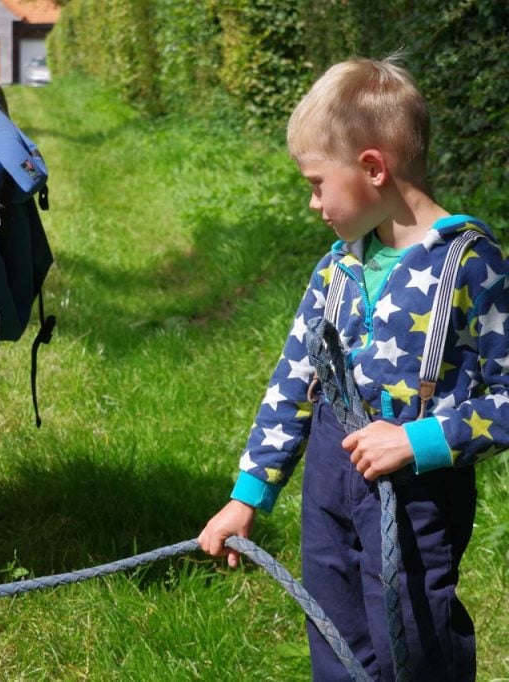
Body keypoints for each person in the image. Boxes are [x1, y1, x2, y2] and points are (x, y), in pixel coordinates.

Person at [197, 56, 508, 680]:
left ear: (372, 168)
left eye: (317, 184)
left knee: (414, 648)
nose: (314, 203)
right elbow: (291, 385)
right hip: (329, 482)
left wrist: (417, 440)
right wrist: (248, 495)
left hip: (416, 493)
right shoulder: (335, 269)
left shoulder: (471, 264)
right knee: (336, 642)